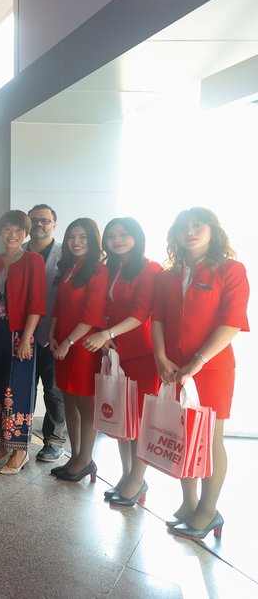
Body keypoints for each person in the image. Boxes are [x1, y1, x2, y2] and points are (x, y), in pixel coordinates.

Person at [152, 208, 249, 540]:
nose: (190, 231)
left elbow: (232, 322)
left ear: (212, 230)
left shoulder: (230, 270)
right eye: (183, 227)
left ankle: (209, 510)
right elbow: (159, 319)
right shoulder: (166, 276)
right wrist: (161, 357)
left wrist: (199, 360)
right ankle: (189, 503)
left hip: (211, 368)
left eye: (197, 225)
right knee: (182, 437)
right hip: (173, 369)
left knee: (209, 439)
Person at [83, 218, 161, 505]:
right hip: (114, 350)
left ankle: (138, 479)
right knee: (121, 417)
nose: (117, 240)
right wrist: (105, 338)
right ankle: (127, 474)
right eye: (112, 235)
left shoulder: (150, 268)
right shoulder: (109, 269)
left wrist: (108, 333)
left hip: (142, 352)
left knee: (139, 419)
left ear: (136, 237)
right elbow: (100, 307)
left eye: (124, 235)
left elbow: (142, 313)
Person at [0, 211, 45, 474]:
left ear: (26, 233)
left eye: (19, 230)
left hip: (19, 332)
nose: (13, 234)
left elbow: (37, 304)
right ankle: (3, 444)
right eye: (7, 229)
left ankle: (20, 450)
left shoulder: (33, 260)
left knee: (16, 389)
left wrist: (27, 338)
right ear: (0, 232)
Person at [49, 218, 107, 483]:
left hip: (83, 345)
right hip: (63, 342)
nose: (76, 242)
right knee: (69, 400)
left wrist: (68, 342)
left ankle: (86, 459)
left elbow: (92, 314)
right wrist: (52, 333)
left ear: (93, 240)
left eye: (82, 237)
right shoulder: (70, 267)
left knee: (85, 402)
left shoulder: (98, 270)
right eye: (72, 237)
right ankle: (76, 457)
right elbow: (60, 306)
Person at [25, 204, 67, 462]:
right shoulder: (18, 251)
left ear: (54, 224)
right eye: (35, 219)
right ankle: (18, 432)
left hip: (53, 334)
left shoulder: (66, 254)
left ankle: (54, 440)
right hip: (23, 334)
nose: (39, 224)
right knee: (21, 387)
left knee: (52, 390)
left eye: (45, 220)